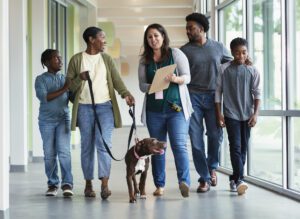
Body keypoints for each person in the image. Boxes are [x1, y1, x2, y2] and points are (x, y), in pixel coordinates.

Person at [67, 26, 135, 200]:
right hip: (83, 108)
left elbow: (116, 80)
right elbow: (69, 87)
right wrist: (79, 78)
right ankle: (88, 184)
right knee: (87, 147)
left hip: (105, 107)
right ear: (91, 39)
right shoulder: (76, 60)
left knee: (104, 144)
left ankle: (105, 184)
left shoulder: (106, 59)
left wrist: (125, 94)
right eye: (102, 37)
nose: (105, 41)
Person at [138, 23, 193, 198]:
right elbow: (141, 86)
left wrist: (176, 79)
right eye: (149, 37)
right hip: (154, 111)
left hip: (176, 109)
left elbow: (187, 77)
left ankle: (184, 182)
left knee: (179, 145)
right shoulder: (144, 60)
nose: (153, 39)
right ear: (147, 40)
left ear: (163, 36)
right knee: (157, 149)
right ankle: (159, 185)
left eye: (156, 35)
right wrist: (154, 85)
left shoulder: (176, 54)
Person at [180, 13, 232, 192]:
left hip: (213, 98)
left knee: (215, 136)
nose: (187, 31)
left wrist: (246, 62)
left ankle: (212, 168)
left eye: (191, 28)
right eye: (187, 28)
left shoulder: (218, 47)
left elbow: (232, 64)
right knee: (195, 139)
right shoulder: (184, 51)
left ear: (201, 29)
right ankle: (204, 178)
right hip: (192, 97)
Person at [215, 37, 261, 195]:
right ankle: (241, 179)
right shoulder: (223, 69)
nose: (241, 56)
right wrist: (219, 113)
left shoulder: (253, 70)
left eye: (244, 52)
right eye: (237, 53)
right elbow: (218, 92)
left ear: (247, 52)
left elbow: (257, 94)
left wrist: (255, 114)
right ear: (232, 53)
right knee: (235, 146)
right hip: (230, 114)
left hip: (247, 115)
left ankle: (234, 178)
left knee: (243, 148)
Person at [35, 49, 73, 197]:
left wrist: (78, 83)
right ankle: (52, 184)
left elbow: (71, 97)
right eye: (56, 58)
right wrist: (65, 88)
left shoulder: (65, 78)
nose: (60, 60)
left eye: (60, 58)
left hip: (64, 119)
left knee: (64, 153)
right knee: (50, 154)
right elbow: (44, 97)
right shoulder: (41, 79)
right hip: (46, 122)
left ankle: (67, 184)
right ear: (46, 62)